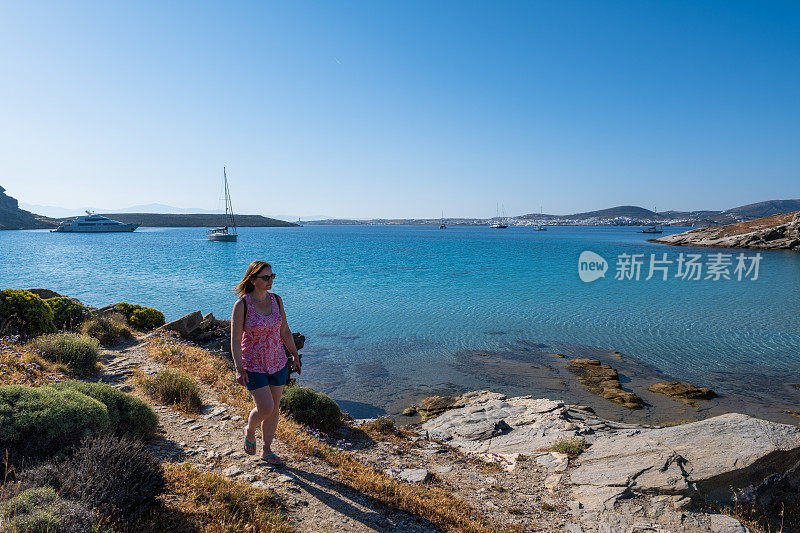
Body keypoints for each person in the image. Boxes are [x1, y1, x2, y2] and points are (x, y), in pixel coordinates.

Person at [231, 260, 301, 465]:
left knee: (275, 407)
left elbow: (285, 331)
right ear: (253, 280)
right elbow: (235, 339)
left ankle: (267, 450)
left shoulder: (277, 300)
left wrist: (294, 355)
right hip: (253, 364)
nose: (270, 280)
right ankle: (250, 429)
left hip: (278, 361)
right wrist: (238, 368)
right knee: (265, 407)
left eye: (272, 276)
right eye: (265, 277)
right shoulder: (242, 305)